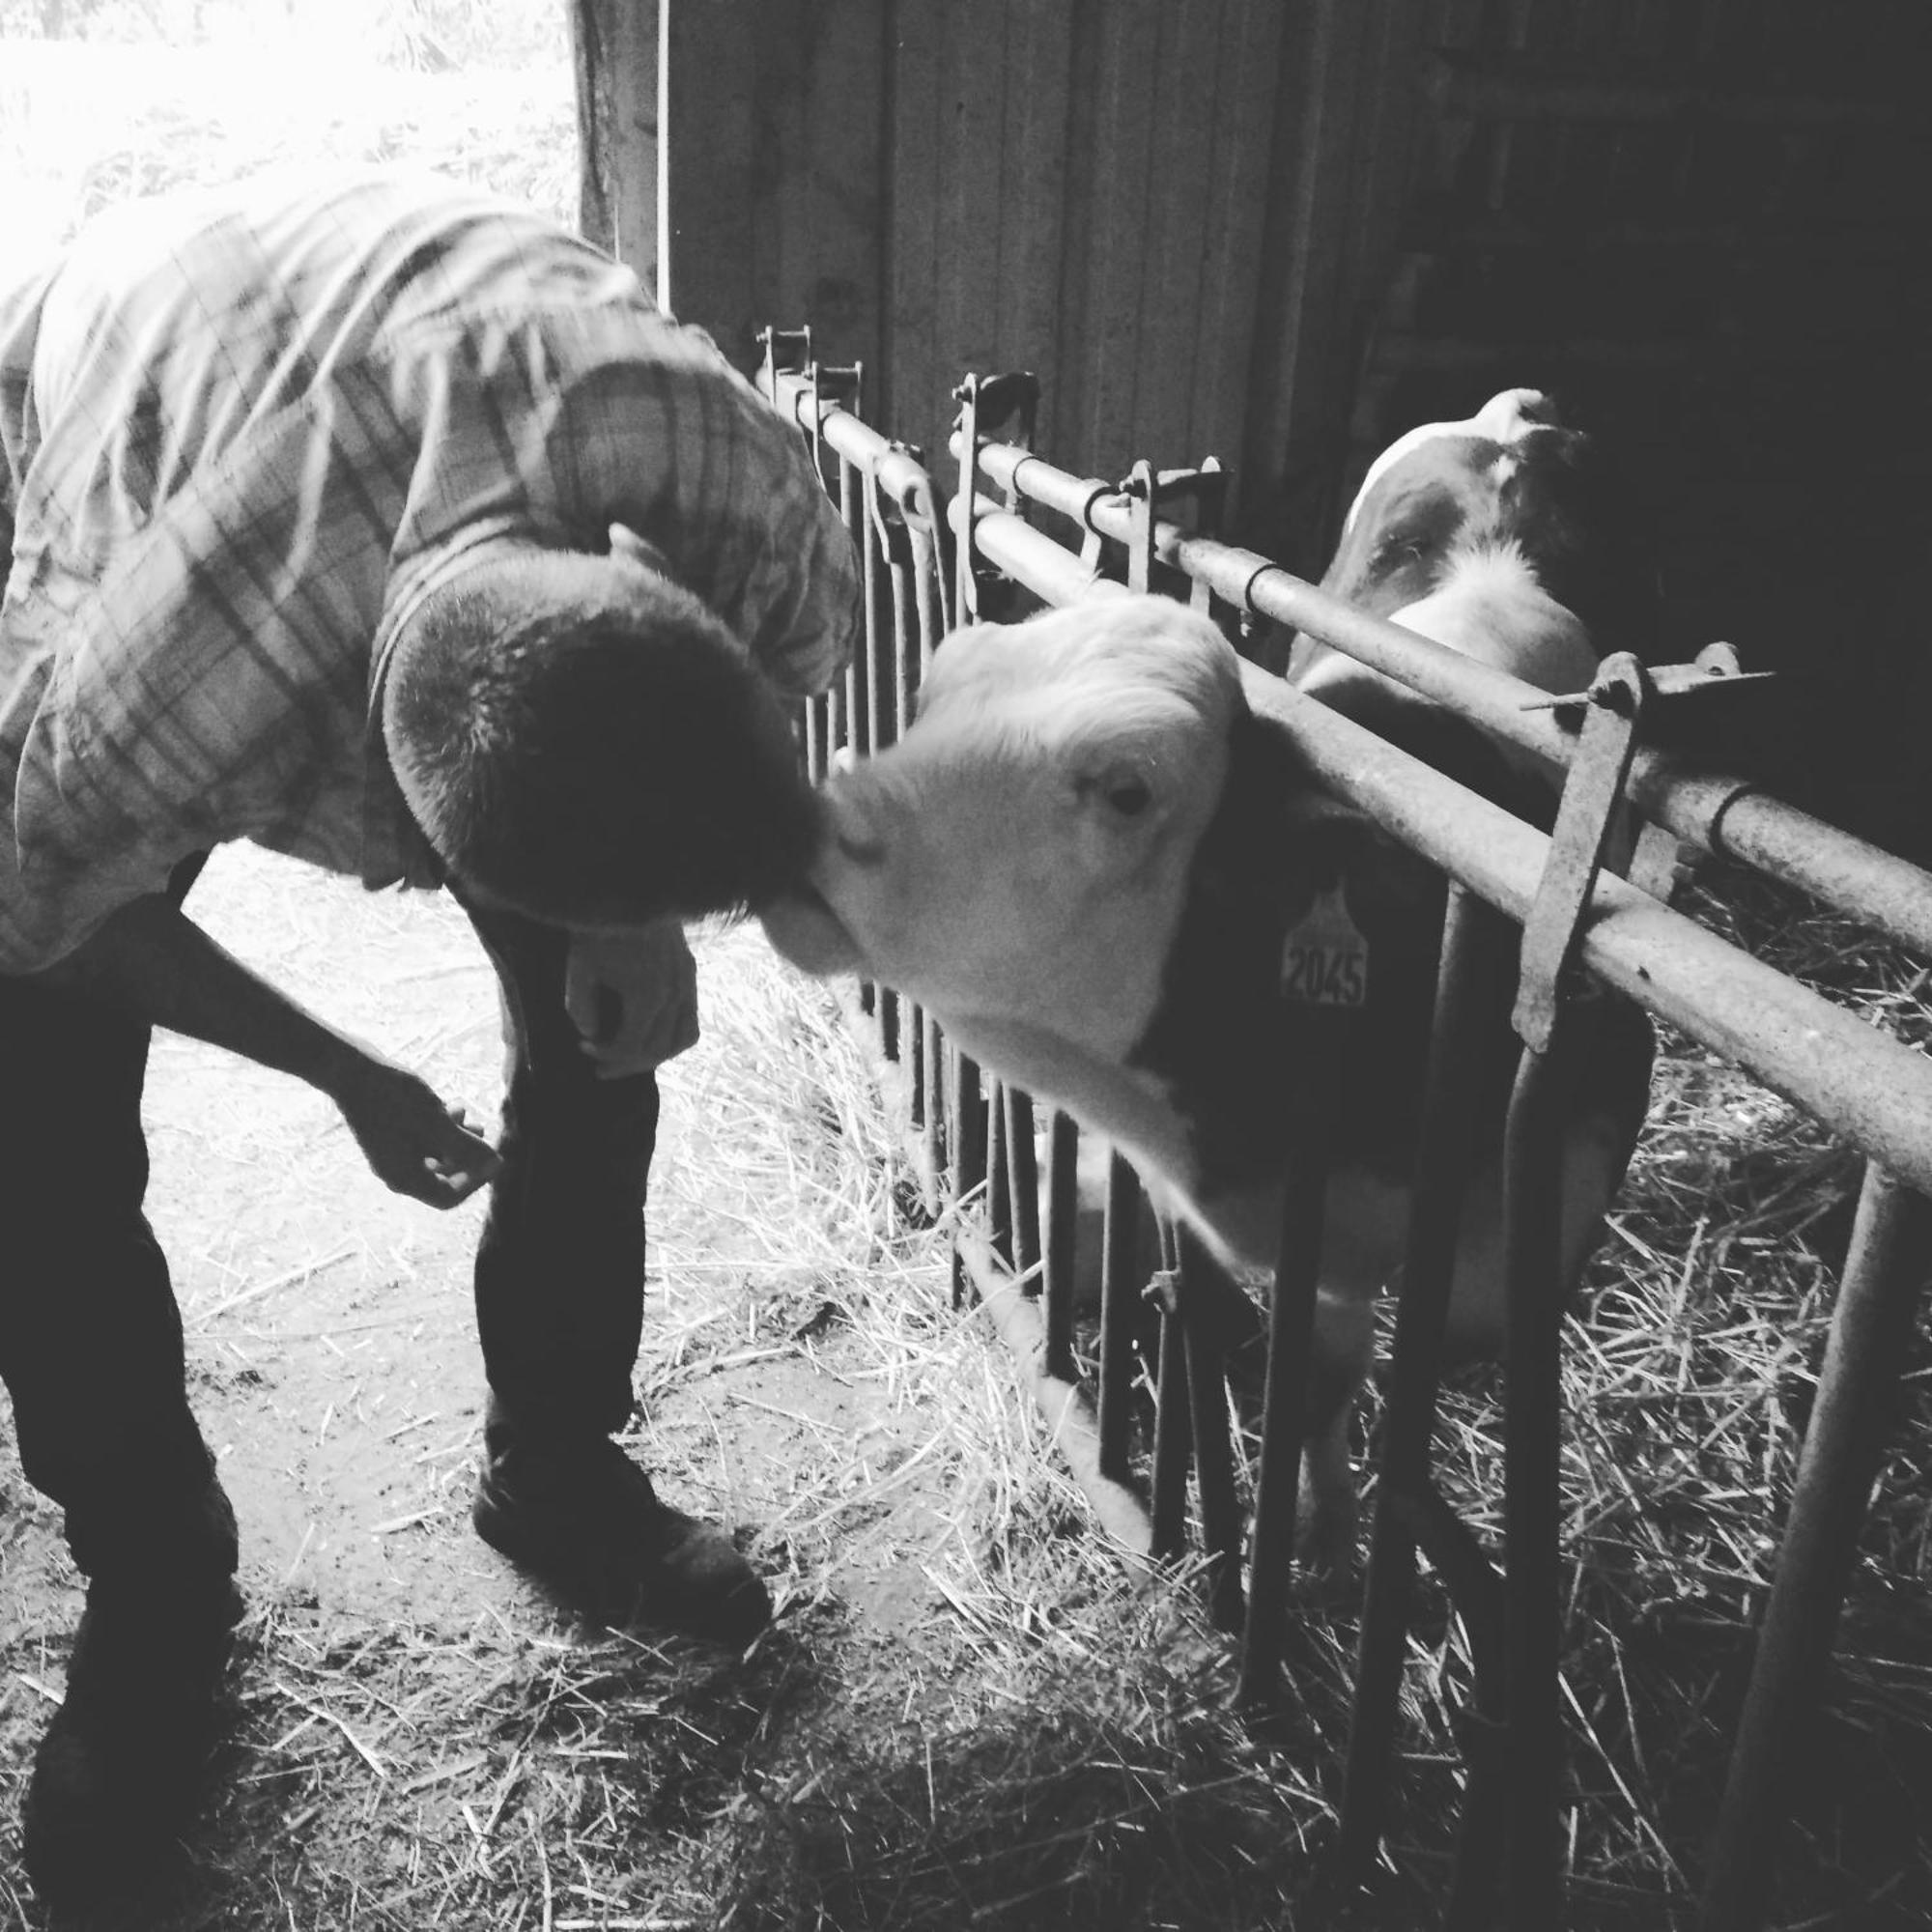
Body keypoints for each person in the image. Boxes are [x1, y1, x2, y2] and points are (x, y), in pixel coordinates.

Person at [0, 167, 860, 1902]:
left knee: (597, 1049)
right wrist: (348, 1072)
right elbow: (42, 926)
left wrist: (626, 936)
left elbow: (703, 773)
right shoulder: (157, 689)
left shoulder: (761, 523)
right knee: (32, 1135)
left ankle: (552, 1459)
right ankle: (156, 1573)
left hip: (440, 362)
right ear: (382, 807)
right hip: (133, 376)